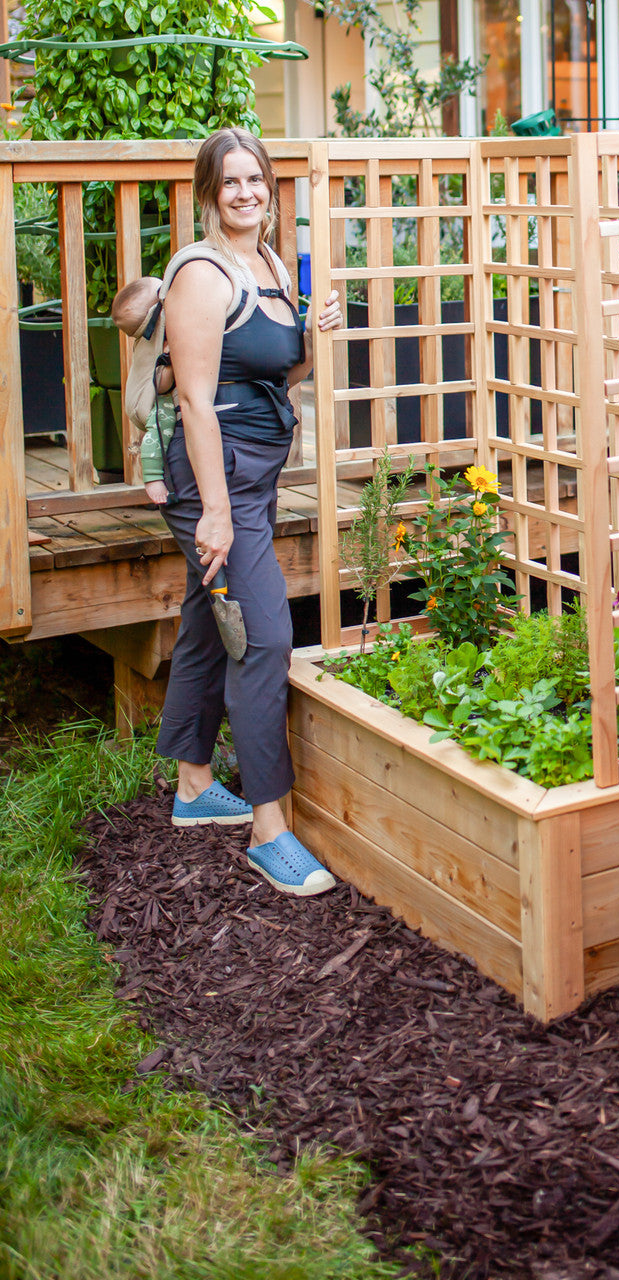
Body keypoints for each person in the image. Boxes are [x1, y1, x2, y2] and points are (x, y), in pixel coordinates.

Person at [158, 125, 343, 897]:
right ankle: (270, 830)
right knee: (264, 637)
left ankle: (194, 786)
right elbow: (196, 403)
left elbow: (279, 373)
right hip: (218, 479)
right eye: (229, 181)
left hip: (255, 473)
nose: (245, 193)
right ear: (209, 192)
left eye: (255, 180)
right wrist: (216, 513)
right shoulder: (201, 274)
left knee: (210, 621)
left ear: (270, 188)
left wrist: (314, 334)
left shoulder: (266, 262)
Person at [110, 275, 175, 506]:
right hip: (150, 401)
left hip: (136, 400)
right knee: (162, 426)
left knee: (152, 430)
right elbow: (161, 385)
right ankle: (152, 476)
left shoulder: (148, 334)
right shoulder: (159, 333)